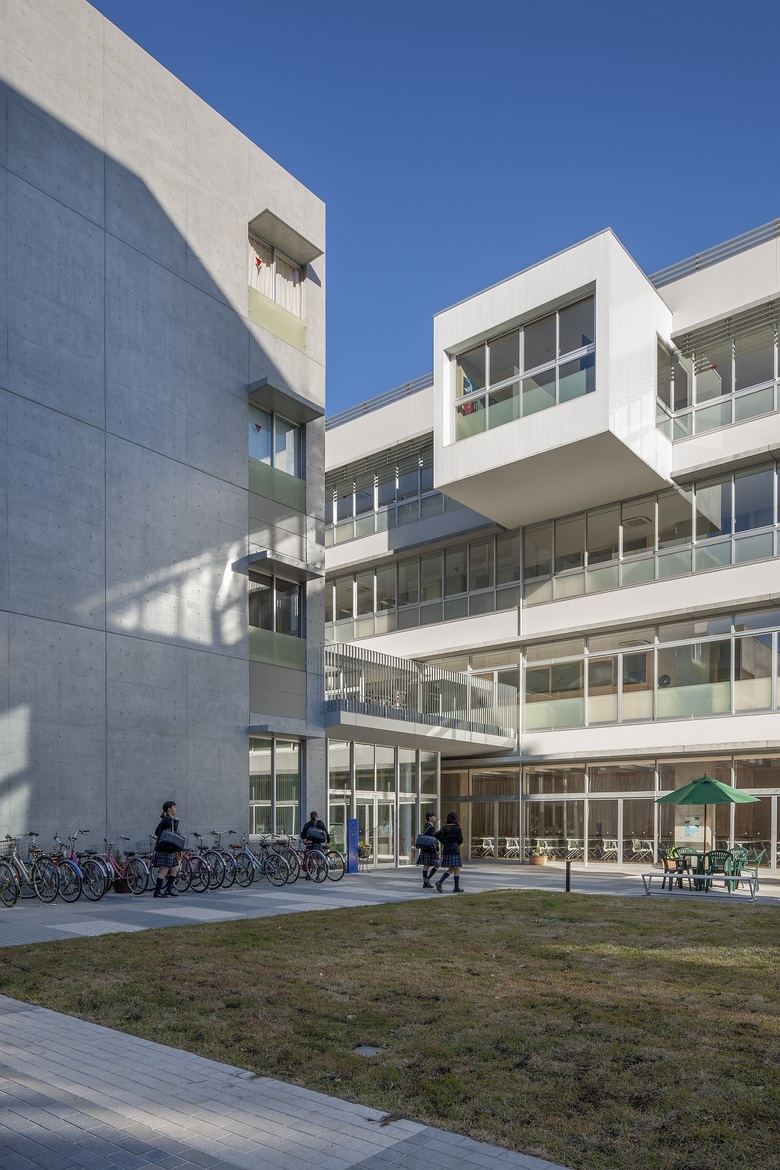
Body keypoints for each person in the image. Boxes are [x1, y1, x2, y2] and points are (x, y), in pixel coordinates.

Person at [153, 800, 182, 898]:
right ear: (169, 809)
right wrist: (176, 823)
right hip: (165, 848)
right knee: (164, 870)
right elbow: (171, 832)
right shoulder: (167, 819)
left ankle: (168, 889)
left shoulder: (166, 819)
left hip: (169, 849)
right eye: (174, 807)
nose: (175, 809)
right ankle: (157, 891)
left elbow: (157, 831)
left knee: (175, 869)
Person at [434, 811, 464, 893]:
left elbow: (436, 834)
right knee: (457, 868)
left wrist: (444, 841)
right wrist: (456, 843)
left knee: (450, 869)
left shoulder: (444, 828)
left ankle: (440, 882)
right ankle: (456, 887)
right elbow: (460, 840)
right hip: (454, 849)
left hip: (446, 849)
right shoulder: (457, 828)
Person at [417, 812, 440, 888]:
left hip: (425, 848)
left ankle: (425, 882)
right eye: (433, 816)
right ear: (429, 818)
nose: (435, 818)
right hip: (430, 849)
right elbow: (434, 840)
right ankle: (427, 880)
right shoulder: (431, 828)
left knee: (426, 866)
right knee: (437, 864)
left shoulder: (426, 826)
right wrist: (437, 850)